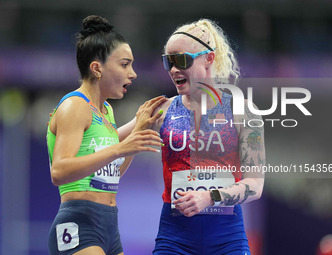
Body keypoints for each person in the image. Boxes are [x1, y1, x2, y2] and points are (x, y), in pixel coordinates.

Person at [119, 18, 265, 254]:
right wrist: (72, 123)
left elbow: (255, 185)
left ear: (209, 59)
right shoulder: (161, 110)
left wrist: (210, 197)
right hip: (174, 238)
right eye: (169, 62)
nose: (175, 69)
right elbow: (110, 139)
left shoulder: (243, 110)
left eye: (183, 60)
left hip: (227, 238)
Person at [46, 15, 165, 255]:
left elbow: (111, 174)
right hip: (79, 224)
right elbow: (59, 172)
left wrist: (138, 129)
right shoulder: (75, 106)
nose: (133, 74)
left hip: (110, 227)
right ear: (97, 68)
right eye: (124, 64)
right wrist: (121, 148)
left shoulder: (106, 110)